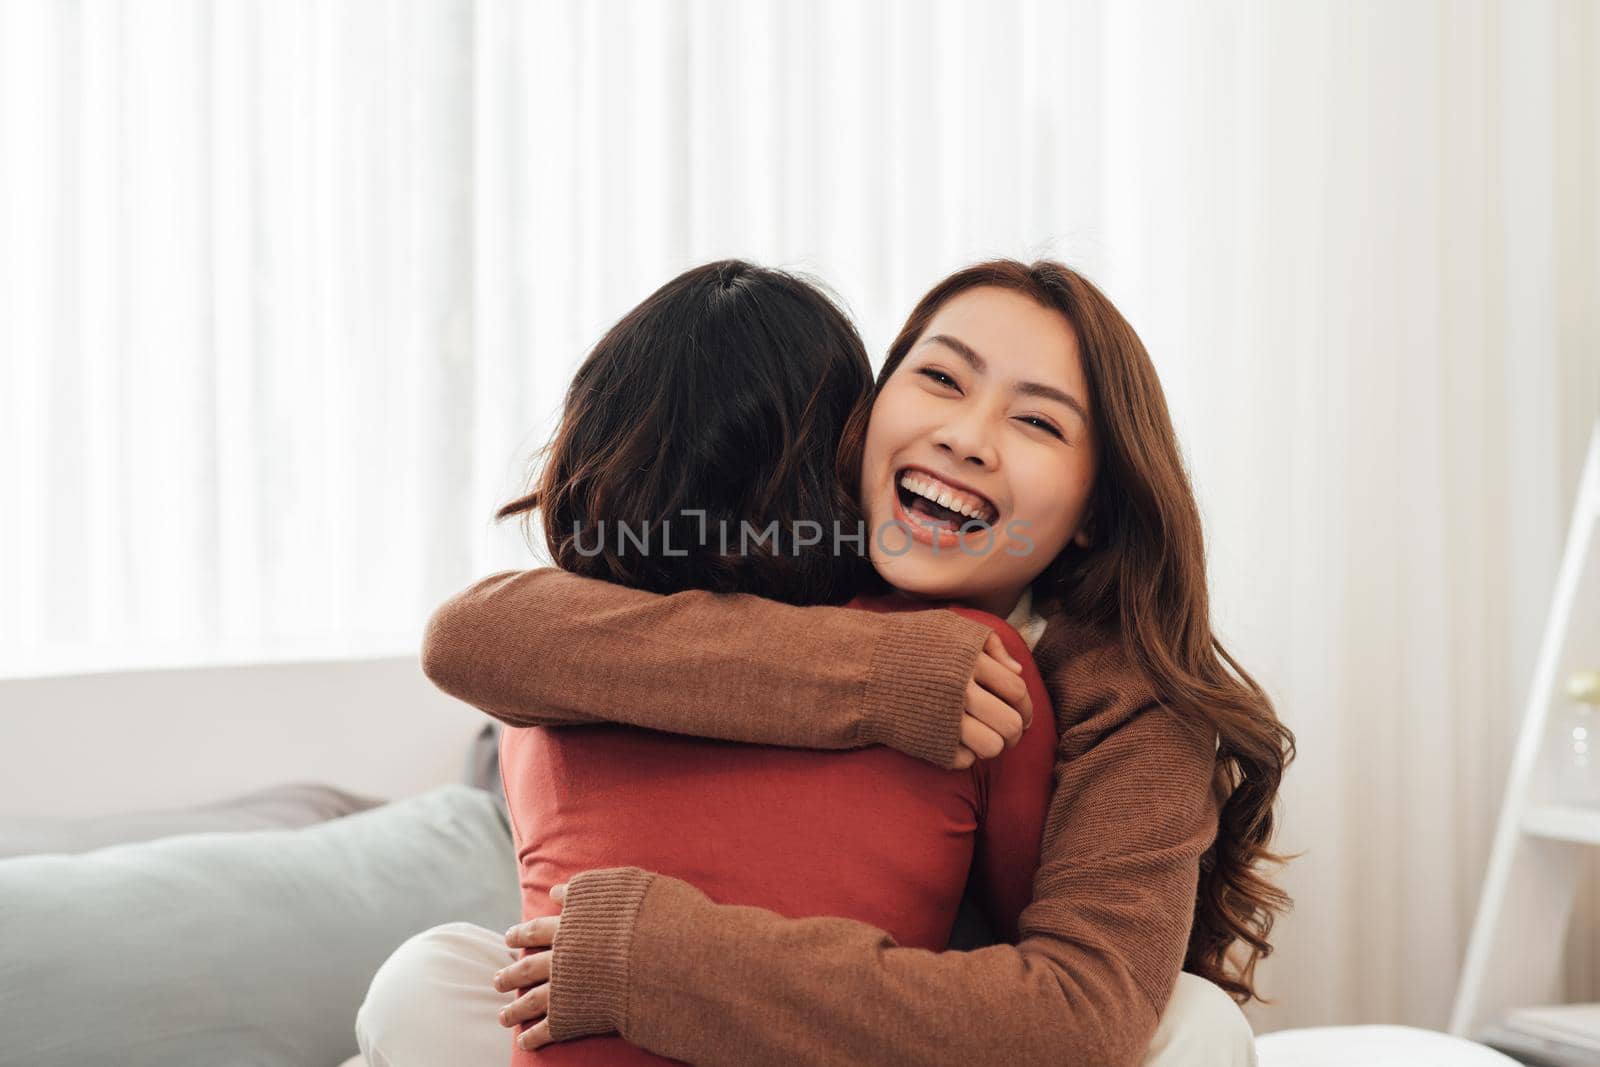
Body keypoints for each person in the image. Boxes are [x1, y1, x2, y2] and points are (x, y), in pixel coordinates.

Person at [359, 259, 1286, 1066]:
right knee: (429, 977)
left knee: (1197, 1027)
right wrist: (882, 675)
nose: (968, 435)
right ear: (866, 413)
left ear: (1093, 510)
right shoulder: (800, 565)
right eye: (939, 378)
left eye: (1039, 423)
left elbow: (1077, 1021)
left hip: (954, 1031)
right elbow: (476, 636)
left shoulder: (1132, 701)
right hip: (710, 1001)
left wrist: (667, 963)